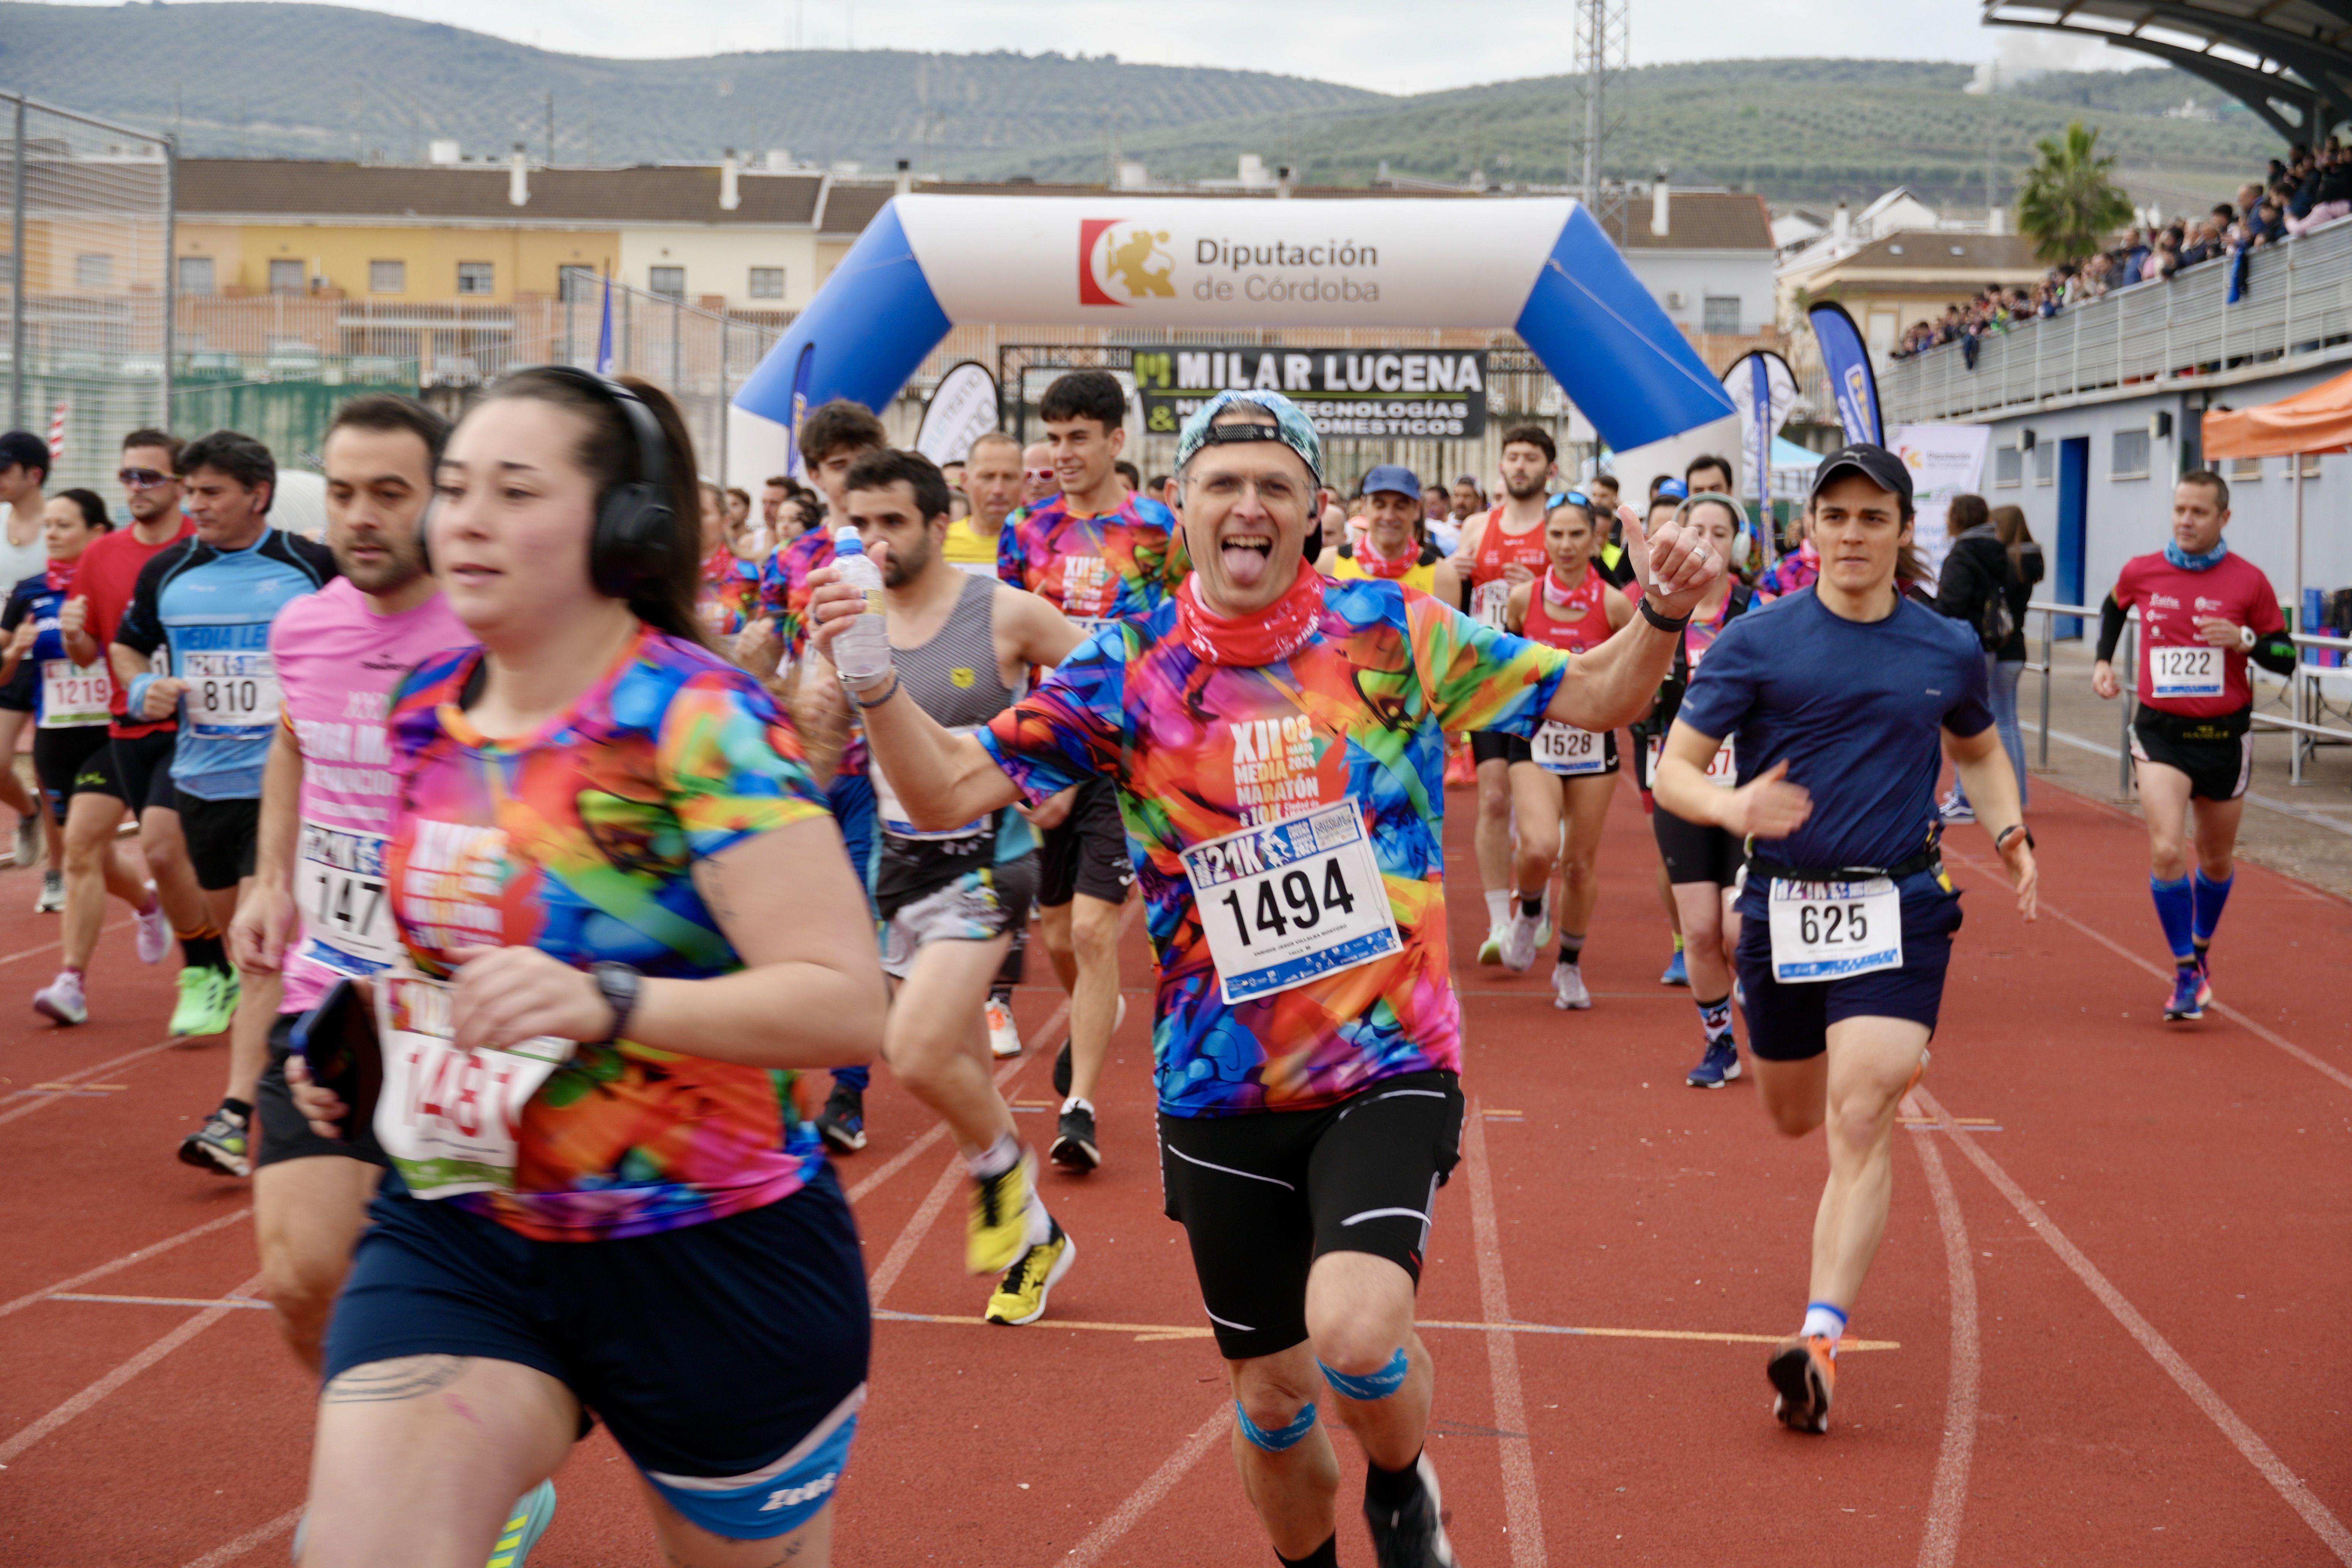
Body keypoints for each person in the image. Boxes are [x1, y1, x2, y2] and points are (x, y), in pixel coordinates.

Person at [806, 386, 1723, 1568]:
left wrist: (1658, 609)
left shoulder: (1389, 628)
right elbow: (941, 791)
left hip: (1385, 1055)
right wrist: (878, 681)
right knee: (1277, 1400)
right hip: (1218, 1083)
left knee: (1352, 1332)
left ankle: (1401, 1480)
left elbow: (1600, 695)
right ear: (1181, 506)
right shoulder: (1127, 663)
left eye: (1275, 485)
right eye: (1223, 483)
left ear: (1314, 511)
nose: (1248, 505)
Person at [286, 367, 885, 1568]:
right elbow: (444, 960)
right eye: (456, 489)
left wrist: (609, 1001)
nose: (466, 520)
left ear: (622, 528)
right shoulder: (426, 712)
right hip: (468, 1222)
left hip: (711, 1250)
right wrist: (366, 1031)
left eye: (516, 491)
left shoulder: (695, 717)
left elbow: (846, 1001)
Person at [1653, 444, 2037, 1436]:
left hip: (1900, 900)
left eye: (1875, 517)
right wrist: (1733, 802)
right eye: (1838, 517)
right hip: (1783, 905)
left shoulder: (1944, 645)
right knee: (1793, 1114)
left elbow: (1980, 748)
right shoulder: (1757, 641)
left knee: (1861, 1112)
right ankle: (1856, 1054)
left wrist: (2007, 829)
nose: (1855, 534)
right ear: (1811, 530)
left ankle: (1819, 1343)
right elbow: (1674, 774)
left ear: (1906, 529)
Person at [223, 394, 470, 1379]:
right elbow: (294, 741)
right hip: (329, 988)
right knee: (300, 1275)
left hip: (463, 1007)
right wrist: (266, 880)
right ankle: (390, 1468)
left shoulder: (490, 632)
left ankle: (462, 1478)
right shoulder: (305, 627)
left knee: (461, 1283)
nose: (360, 516)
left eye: (389, 493)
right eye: (343, 492)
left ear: (441, 502)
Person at [809, 446, 1087, 1322]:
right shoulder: (850, 615)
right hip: (898, 860)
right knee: (958, 1063)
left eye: (892, 521)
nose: (874, 540)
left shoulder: (1000, 610)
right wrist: (809, 707)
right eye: (861, 523)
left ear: (939, 523)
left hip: (988, 853)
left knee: (918, 1048)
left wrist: (1059, 781)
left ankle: (1005, 1179)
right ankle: (1038, 1235)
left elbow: (1104, 686)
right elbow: (817, 746)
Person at [114, 430, 338, 1178]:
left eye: (211, 492)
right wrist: (145, 687)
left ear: (257, 496)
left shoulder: (311, 567)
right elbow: (129, 648)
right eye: (192, 489)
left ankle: (236, 1114)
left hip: (286, 791)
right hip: (201, 781)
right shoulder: (168, 572)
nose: (195, 504)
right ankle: (307, 1049)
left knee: (261, 947)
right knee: (244, 951)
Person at [996, 370, 1181, 1173]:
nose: (1064, 453)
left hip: (1128, 753)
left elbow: (1181, 638)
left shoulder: (1156, 531)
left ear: (1116, 441)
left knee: (1098, 930)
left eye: (1080, 438)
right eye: (1055, 436)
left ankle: (1080, 1109)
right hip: (1047, 757)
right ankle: (1087, 1021)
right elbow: (1005, 651)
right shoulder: (1025, 534)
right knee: (1059, 931)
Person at [739, 400, 890, 1152]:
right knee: (775, 931)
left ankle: (848, 1093)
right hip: (799, 770)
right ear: (816, 474)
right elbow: (762, 660)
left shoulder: (897, 552)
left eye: (863, 458)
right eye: (836, 464)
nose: (850, 474)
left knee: (857, 926)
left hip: (875, 773)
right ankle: (770, 1087)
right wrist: (753, 661)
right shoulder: (786, 565)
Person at [2093, 470, 2294, 1021]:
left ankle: (2201, 949)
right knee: (2165, 849)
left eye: (2199, 512)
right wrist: (2103, 661)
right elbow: (2114, 606)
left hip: (2225, 739)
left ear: (2224, 518)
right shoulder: (2142, 570)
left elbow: (2286, 657)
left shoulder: (2249, 582)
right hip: (2162, 734)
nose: (2185, 520)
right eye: (2180, 509)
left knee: (2216, 859)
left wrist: (2246, 641)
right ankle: (2185, 972)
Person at [0, 488, 168, 1025]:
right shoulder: (29, 593)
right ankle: (147, 903)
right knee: (85, 853)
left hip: (110, 733)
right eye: (47, 525)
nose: (50, 533)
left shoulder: (120, 584)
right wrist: (16, 650)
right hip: (56, 737)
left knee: (78, 848)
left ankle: (71, 981)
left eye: (64, 524)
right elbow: (3, 671)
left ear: (98, 533)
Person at [77, 430, 216, 1036]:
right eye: (128, 476)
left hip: (201, 728)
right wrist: (74, 630)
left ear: (180, 484)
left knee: (161, 846)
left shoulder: (205, 545)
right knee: (168, 855)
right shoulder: (101, 555)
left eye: (148, 477)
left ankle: (206, 972)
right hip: (128, 726)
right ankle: (217, 958)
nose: (135, 487)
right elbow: (91, 655)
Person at [1640, 494, 1761, 1087]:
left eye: (1721, 531)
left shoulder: (1757, 611)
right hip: (1683, 790)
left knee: (1740, 932)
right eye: (1698, 530)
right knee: (1700, 931)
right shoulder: (1663, 608)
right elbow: (1634, 692)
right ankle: (1720, 1045)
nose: (1708, 540)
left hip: (1746, 792)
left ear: (1737, 543)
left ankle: (1774, 1012)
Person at [1497, 492, 1634, 1007]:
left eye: (1578, 534)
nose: (1567, 545)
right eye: (1557, 534)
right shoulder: (1522, 600)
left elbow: (1635, 671)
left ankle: (1569, 966)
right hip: (1536, 739)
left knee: (1578, 865)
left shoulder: (1615, 605)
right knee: (1536, 847)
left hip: (1594, 746)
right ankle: (1530, 908)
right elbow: (1505, 670)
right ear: (1545, 539)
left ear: (1596, 538)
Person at [1432, 425, 1558, 964]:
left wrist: (1540, 576)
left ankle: (1537, 891)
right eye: (1513, 456)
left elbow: (1584, 587)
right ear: (1501, 466)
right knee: (1493, 798)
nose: (1520, 465)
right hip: (1489, 678)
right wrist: (1455, 573)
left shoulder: (1560, 526)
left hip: (1547, 678)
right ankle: (1498, 923)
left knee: (1542, 814)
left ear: (1549, 469)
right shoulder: (1479, 526)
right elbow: (1450, 600)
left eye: (1531, 458)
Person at [1933, 494, 2036, 824]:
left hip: (1974, 644)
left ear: (1958, 519)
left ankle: (1967, 798)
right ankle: (2013, 795)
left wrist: (1924, 610)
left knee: (1969, 722)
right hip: (2001, 645)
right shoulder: (2001, 555)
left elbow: (1953, 604)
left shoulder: (1965, 555)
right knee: (2005, 722)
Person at [0, 430, 63, 903]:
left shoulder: (58, 526)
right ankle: (27, 812)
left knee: (48, 768)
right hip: (6, 655)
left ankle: (57, 874)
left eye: (5, 470)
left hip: (50, 661)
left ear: (33, 474)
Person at [1317, 465, 1442, 591]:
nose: (1389, 517)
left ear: (1417, 509)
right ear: (1364, 506)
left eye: (1400, 506)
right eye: (1380, 505)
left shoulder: (1441, 577)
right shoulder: (1326, 565)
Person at [943, 430, 1023, 581]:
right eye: (987, 477)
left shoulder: (1043, 546)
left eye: (1009, 477)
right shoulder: (938, 543)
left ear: (1024, 481)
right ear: (965, 481)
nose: (998, 489)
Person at [1020, 440, 1057, 507]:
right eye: (1028, 475)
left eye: (1046, 475)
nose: (1036, 484)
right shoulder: (1010, 515)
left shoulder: (1075, 516)